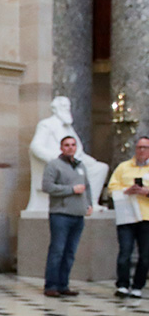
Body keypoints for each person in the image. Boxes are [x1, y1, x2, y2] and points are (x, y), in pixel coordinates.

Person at [27, 97, 107, 213]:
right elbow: (36, 147)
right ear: (55, 109)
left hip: (75, 161)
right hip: (58, 164)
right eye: (64, 106)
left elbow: (78, 148)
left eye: (68, 106)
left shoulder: (68, 127)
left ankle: (91, 203)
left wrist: (89, 161)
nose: (67, 109)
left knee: (100, 168)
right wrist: (57, 160)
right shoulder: (46, 124)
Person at [42, 135, 93, 297]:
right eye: (67, 145)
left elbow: (87, 187)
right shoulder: (53, 165)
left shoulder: (80, 166)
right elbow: (47, 186)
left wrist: (89, 204)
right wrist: (71, 190)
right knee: (57, 250)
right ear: (61, 148)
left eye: (73, 145)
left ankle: (64, 284)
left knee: (70, 252)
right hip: (61, 215)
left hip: (78, 215)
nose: (70, 147)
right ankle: (51, 285)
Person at [107, 135, 149, 298]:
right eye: (139, 147)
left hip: (146, 217)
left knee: (145, 256)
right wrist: (127, 190)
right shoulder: (123, 167)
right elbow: (112, 187)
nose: (142, 151)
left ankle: (138, 285)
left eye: (145, 148)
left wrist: (146, 192)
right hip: (127, 216)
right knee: (125, 252)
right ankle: (123, 284)